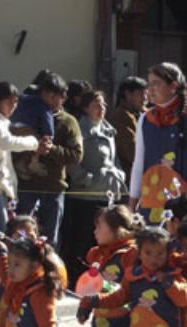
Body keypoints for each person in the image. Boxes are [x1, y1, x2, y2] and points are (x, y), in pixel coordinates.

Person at [128, 62, 187, 224]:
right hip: (152, 201)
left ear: (173, 86)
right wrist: (132, 200)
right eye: (149, 84)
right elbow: (139, 163)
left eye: (156, 84)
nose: (150, 89)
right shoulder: (145, 120)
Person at [76, 205, 139, 327]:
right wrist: (85, 306)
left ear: (117, 229)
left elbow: (128, 289)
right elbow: (91, 283)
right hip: (101, 313)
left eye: (99, 226)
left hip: (121, 313)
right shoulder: (98, 254)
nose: (94, 231)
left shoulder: (129, 253)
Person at [60, 90, 125, 277]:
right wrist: (86, 180)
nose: (101, 109)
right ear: (86, 108)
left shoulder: (108, 129)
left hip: (107, 192)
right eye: (97, 105)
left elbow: (115, 159)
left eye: (103, 105)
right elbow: (73, 161)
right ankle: (78, 276)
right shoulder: (79, 129)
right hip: (85, 195)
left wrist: (119, 176)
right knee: (84, 240)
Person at [13, 73, 83, 249]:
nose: (50, 100)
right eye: (47, 95)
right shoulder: (27, 114)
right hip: (26, 187)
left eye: (55, 96)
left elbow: (76, 155)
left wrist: (52, 149)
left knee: (49, 241)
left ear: (63, 98)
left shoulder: (69, 122)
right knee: (22, 237)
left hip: (53, 189)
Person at [0, 81, 42, 233]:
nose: (13, 105)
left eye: (15, 101)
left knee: (1, 232)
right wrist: (34, 142)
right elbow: (7, 142)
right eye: (9, 101)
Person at [108, 76, 147, 175]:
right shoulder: (121, 116)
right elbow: (132, 152)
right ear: (128, 94)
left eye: (146, 94)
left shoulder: (143, 114)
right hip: (130, 175)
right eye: (140, 94)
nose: (145, 98)